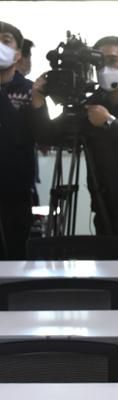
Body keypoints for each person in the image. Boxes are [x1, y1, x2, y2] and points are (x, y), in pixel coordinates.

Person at [31, 36, 118, 259]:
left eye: (112, 61)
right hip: (107, 209)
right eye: (99, 62)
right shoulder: (92, 104)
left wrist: (109, 122)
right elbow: (50, 136)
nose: (105, 68)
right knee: (112, 277)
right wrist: (38, 102)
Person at [0, 22, 35, 260]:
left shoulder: (30, 91)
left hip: (16, 188)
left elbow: (40, 133)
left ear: (18, 53)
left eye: (5, 41)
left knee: (15, 254)